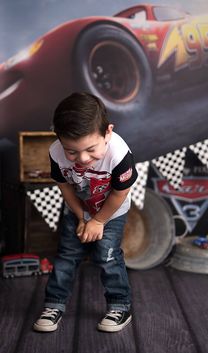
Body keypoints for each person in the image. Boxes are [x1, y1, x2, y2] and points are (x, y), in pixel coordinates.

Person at [33, 92, 138, 333]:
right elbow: (66, 189)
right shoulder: (56, 152)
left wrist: (98, 220)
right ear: (59, 139)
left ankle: (120, 305)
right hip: (77, 208)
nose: (82, 159)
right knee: (67, 255)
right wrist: (82, 217)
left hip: (110, 211)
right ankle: (53, 304)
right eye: (72, 152)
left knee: (107, 256)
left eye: (91, 149)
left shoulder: (119, 154)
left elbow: (120, 193)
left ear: (107, 133)